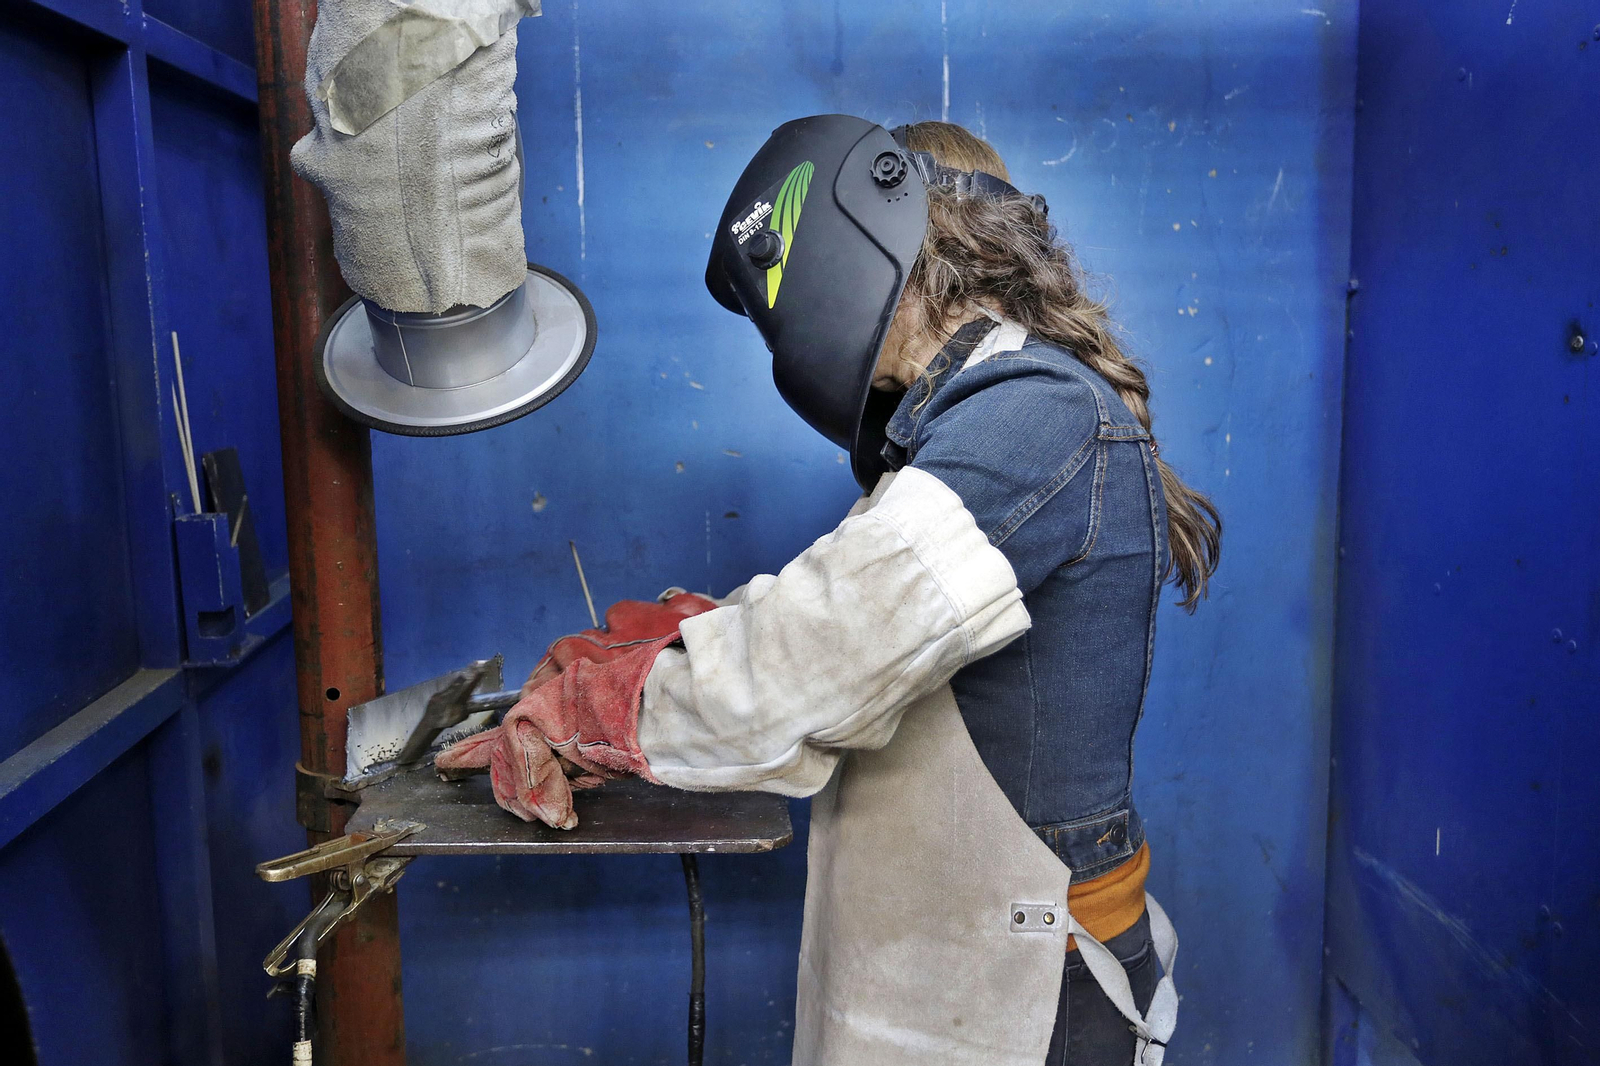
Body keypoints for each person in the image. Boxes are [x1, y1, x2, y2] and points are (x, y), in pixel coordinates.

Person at [438, 116, 1221, 1066]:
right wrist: (705, 635)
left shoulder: (1030, 419)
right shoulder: (968, 430)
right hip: (962, 958)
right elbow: (858, 629)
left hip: (1023, 985)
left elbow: (801, 672)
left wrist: (600, 705)